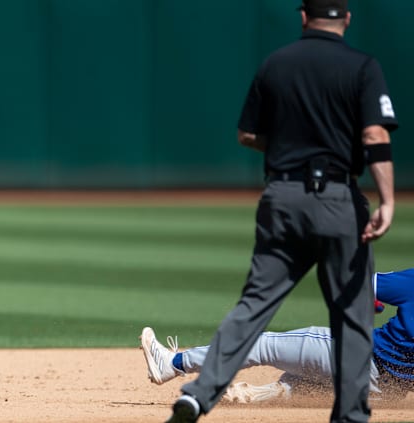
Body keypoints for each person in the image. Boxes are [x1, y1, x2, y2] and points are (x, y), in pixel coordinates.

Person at [162, 1, 397, 422]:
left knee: (253, 305)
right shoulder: (363, 66)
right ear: (346, 18)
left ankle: (199, 395)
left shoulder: (276, 63)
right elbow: (375, 134)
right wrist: (388, 199)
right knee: (352, 312)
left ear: (304, 17)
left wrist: (291, 149)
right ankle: (350, 415)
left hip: (283, 196)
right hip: (340, 199)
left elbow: (247, 133)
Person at [141, 269, 414, 404]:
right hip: (388, 393)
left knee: (262, 345)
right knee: (303, 385)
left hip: (357, 357)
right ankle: (251, 396)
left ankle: (173, 363)